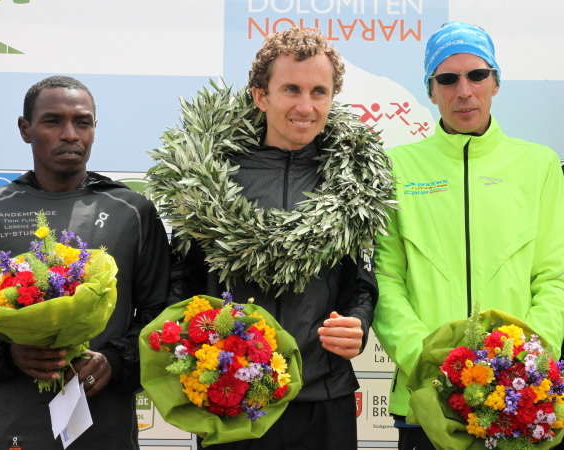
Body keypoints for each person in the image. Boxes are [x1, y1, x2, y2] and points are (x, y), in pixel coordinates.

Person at [165, 28, 388, 449]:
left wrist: (357, 322)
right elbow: (183, 280)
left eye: (319, 92)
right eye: (291, 89)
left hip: (324, 398)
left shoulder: (355, 179)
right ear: (260, 96)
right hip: (232, 399)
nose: (306, 106)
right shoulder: (209, 176)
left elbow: (361, 282)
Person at [372, 21, 564, 449]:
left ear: (495, 83)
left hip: (519, 395)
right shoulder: (394, 167)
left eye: (477, 75)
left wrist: (524, 363)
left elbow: (554, 277)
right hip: (427, 395)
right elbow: (385, 280)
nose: (463, 91)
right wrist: (429, 361)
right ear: (431, 90)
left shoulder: (540, 165)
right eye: (447, 79)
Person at [0, 76, 170, 449]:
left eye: (82, 122)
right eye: (53, 121)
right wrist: (9, 352)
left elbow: (162, 315)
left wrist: (115, 361)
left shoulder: (133, 212)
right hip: (7, 429)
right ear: (25, 129)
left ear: (94, 128)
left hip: (105, 429)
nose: (70, 134)